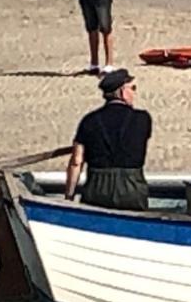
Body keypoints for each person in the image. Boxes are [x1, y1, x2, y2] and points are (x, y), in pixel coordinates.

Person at [65, 69, 152, 211]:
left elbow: (76, 162)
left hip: (97, 187)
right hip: (131, 187)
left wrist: (69, 197)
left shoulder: (89, 121)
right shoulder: (142, 119)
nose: (135, 93)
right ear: (122, 91)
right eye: (133, 88)